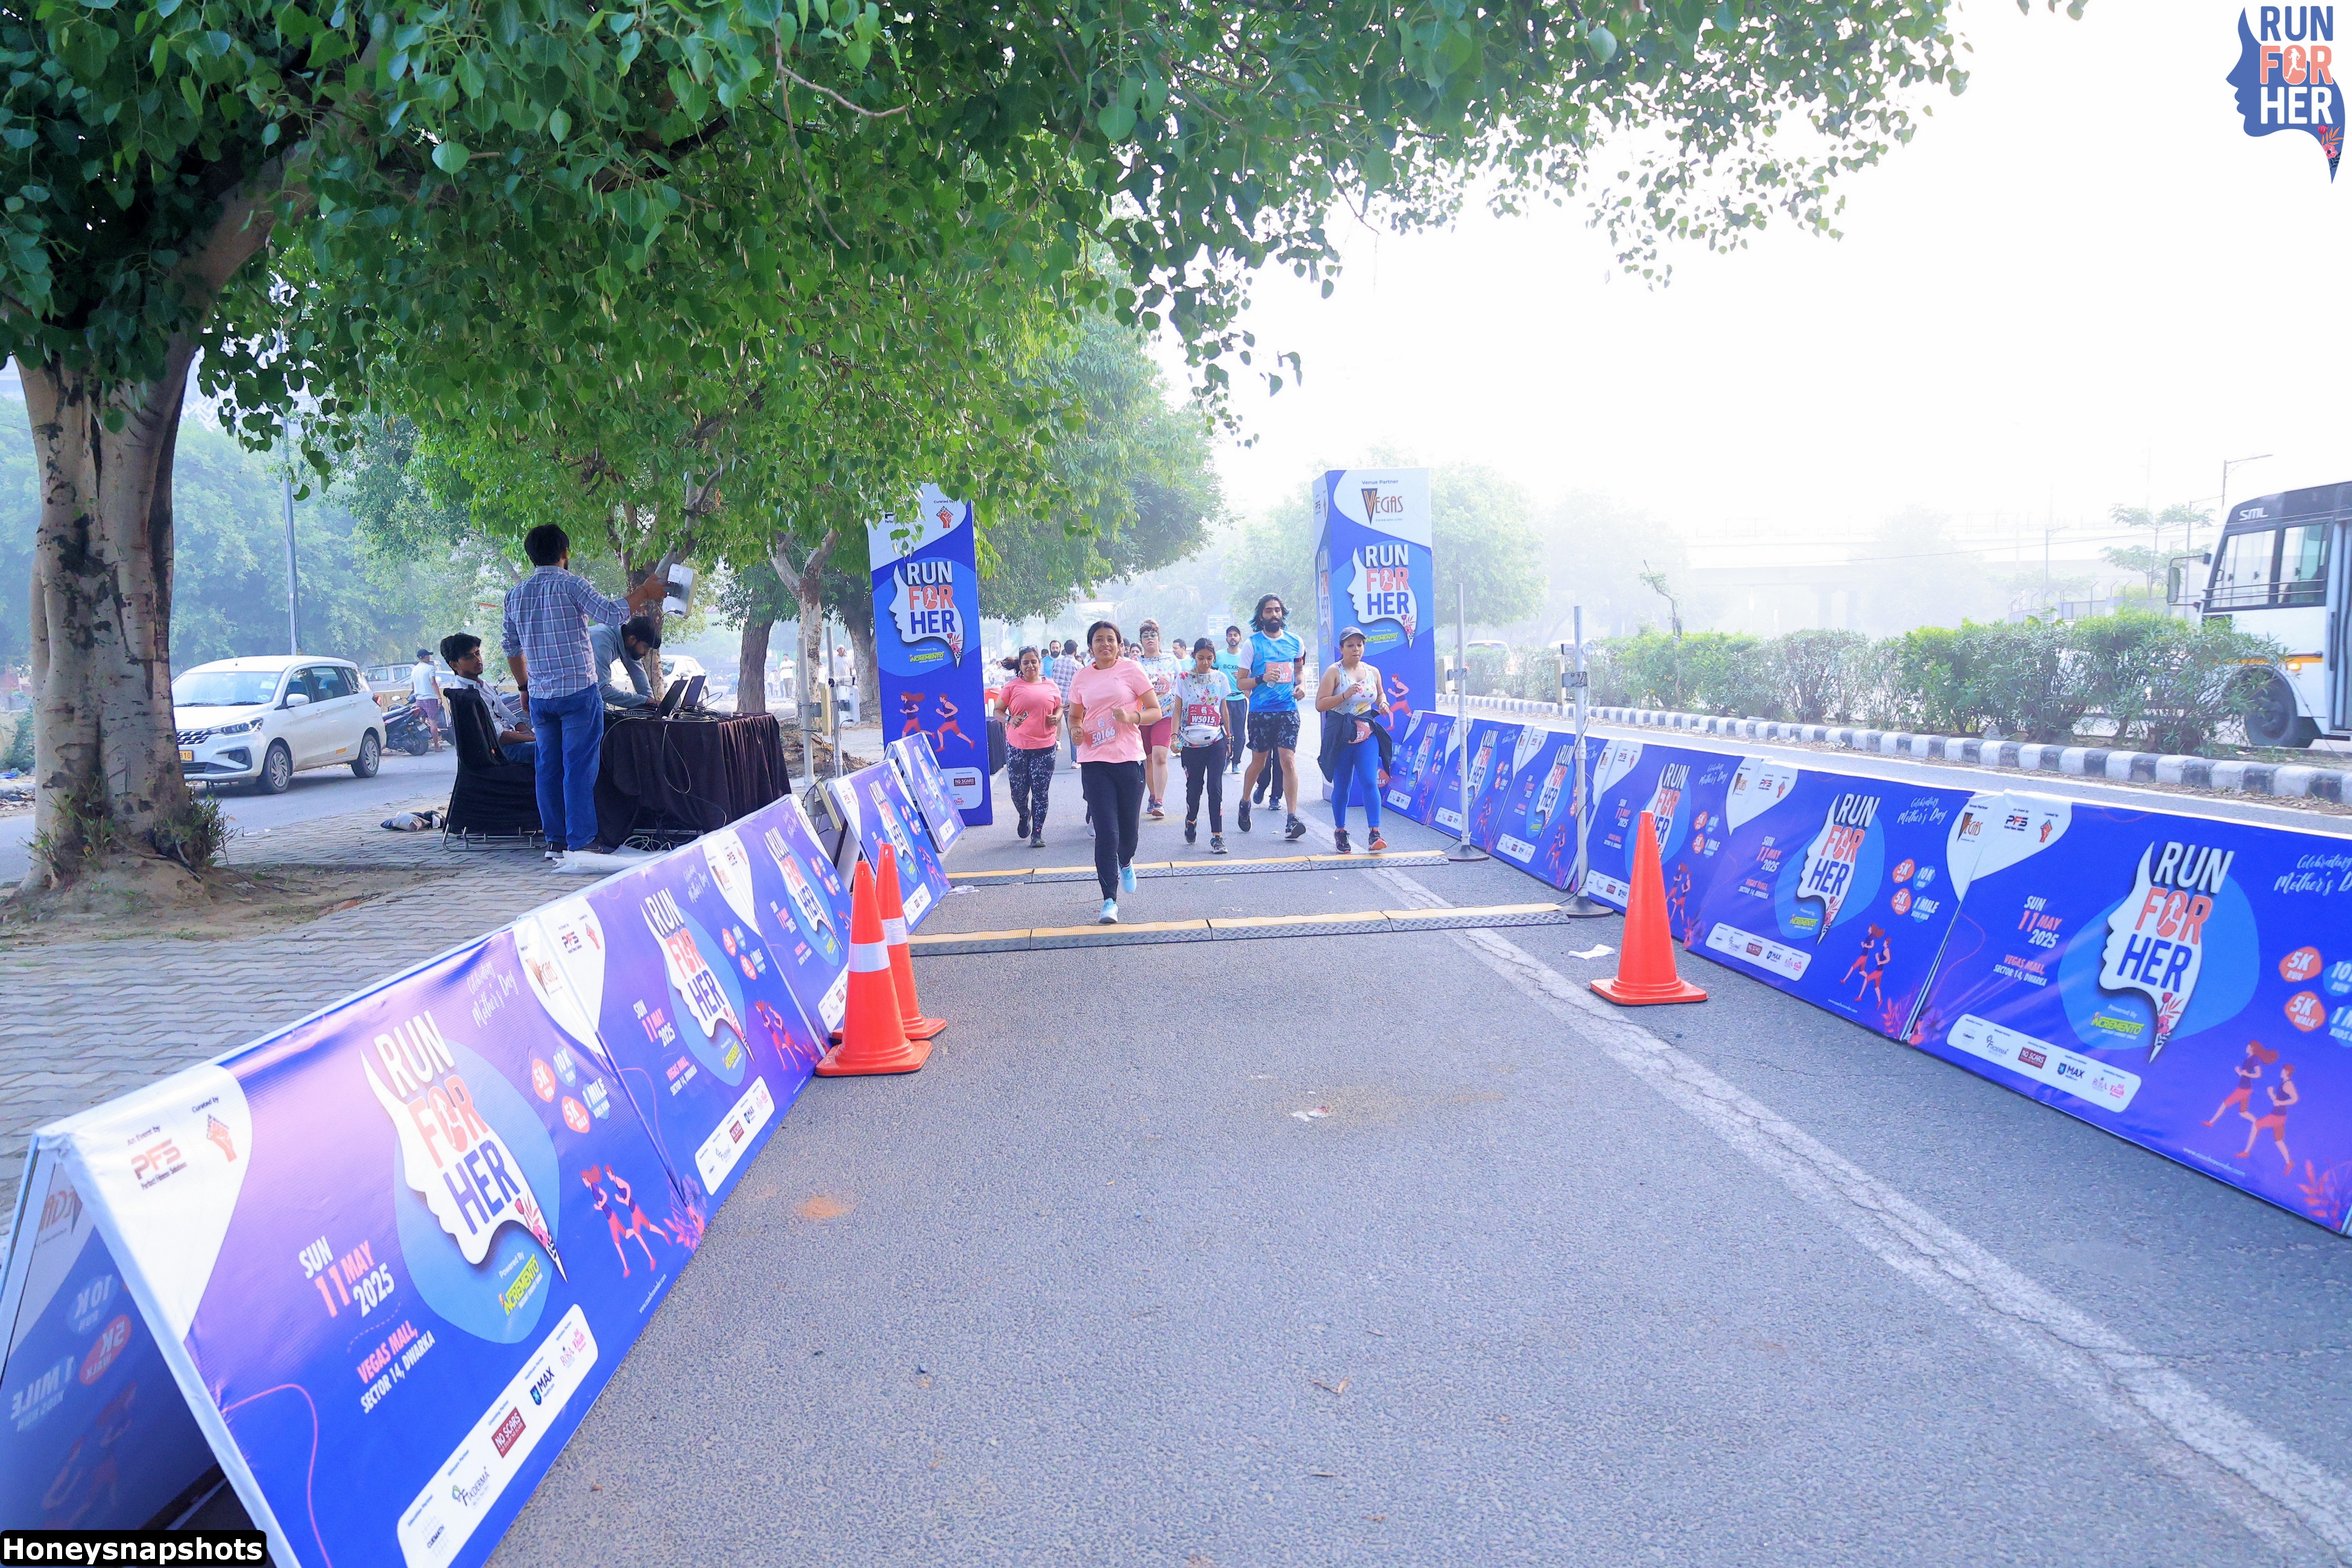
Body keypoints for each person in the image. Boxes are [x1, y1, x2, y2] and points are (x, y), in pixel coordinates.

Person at [502, 523, 666, 860]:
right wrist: (645, 592)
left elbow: (511, 647)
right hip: (578, 693)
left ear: (530, 556)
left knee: (548, 768)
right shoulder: (572, 585)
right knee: (578, 768)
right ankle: (581, 843)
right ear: (565, 553)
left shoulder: (515, 595)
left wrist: (524, 687)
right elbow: (612, 613)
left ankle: (555, 842)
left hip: (541, 697)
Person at [1066, 620, 1161, 923]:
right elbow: (1074, 715)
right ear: (1090, 646)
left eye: (1110, 639)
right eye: (1099, 640)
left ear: (1119, 645)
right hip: (1094, 760)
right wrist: (1076, 730)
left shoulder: (1132, 670)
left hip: (1129, 759)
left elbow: (1155, 711)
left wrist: (1132, 717)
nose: (1105, 644)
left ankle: (1127, 860)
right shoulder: (1081, 677)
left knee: (1128, 833)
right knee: (1106, 832)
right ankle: (1109, 900)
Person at [1237, 594, 1307, 841]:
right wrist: (1261, 679)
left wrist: (1302, 686)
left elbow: (1299, 671)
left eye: (1277, 610)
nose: (1274, 614)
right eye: (1269, 611)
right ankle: (1245, 801)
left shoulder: (1296, 642)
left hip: (1288, 710)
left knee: (1288, 761)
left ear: (1282, 613)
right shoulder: (1252, 644)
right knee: (1259, 763)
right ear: (1261, 615)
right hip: (1260, 712)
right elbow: (1241, 682)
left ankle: (1292, 818)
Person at [1314, 627, 1388, 853]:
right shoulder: (1334, 672)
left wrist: (1383, 703)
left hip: (1367, 733)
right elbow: (1320, 704)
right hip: (1341, 734)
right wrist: (1344, 695)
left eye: (1359, 645)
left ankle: (1375, 833)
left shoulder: (1372, 671)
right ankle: (1340, 831)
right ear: (1341, 649)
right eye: (1350, 645)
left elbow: (1380, 693)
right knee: (1343, 784)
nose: (1356, 649)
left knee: (1369, 780)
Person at [994, 648, 1061, 846]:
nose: (1030, 666)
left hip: (1045, 746)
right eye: (1026, 662)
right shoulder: (1012, 687)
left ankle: (1037, 834)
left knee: (1040, 792)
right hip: (1018, 747)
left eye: (1034, 662)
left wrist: (1056, 718)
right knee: (1018, 793)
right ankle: (1024, 815)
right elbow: (998, 711)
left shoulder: (1051, 686)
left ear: (1040, 663)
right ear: (1020, 666)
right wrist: (1009, 719)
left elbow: (1059, 708)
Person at [439, 633, 536, 764]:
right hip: (498, 751)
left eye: (477, 654)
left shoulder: (483, 686)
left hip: (511, 742)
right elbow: (497, 736)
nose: (477, 660)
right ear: (454, 665)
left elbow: (510, 717)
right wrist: (534, 739)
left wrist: (531, 734)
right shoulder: (463, 695)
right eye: (469, 657)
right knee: (548, 750)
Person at [1174, 637, 1232, 852]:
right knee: (1194, 789)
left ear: (1214, 658)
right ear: (1194, 657)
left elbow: (1224, 709)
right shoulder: (1183, 679)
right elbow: (1177, 710)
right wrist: (1174, 737)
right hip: (1191, 743)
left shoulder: (1221, 678)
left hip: (1216, 740)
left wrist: (1229, 737)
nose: (1205, 663)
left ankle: (1217, 836)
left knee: (1215, 788)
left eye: (1209, 658)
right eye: (1201, 658)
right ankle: (1191, 820)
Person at [1134, 620, 1182, 820]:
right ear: (1141, 641)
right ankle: (1152, 795)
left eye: (1153, 636)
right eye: (1146, 636)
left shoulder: (1171, 660)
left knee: (1160, 756)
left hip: (1166, 714)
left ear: (1159, 639)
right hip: (1144, 716)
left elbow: (1181, 686)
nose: (1150, 639)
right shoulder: (1135, 664)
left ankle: (1160, 801)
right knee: (1148, 759)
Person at [589, 614, 661, 709]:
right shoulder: (602, 643)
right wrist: (644, 701)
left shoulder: (626, 639)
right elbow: (601, 689)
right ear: (632, 640)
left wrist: (652, 705)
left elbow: (638, 673)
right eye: (646, 647)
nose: (647, 653)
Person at [1215, 624, 1249, 775]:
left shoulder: (1245, 656)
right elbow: (1211, 672)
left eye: (1235, 635)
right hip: (1224, 701)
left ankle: (1236, 762)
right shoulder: (1219, 655)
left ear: (1240, 638)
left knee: (1239, 735)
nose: (1233, 638)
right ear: (1226, 638)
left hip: (1240, 699)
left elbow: (1252, 675)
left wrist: (1244, 676)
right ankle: (1225, 759)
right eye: (1230, 635)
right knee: (1224, 732)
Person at [408, 648, 446, 747]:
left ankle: (423, 743)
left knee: (422, 721)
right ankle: (437, 746)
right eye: (428, 656)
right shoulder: (430, 668)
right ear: (425, 657)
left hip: (419, 699)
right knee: (433, 722)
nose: (429, 657)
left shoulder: (414, 670)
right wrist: (439, 697)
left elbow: (412, 686)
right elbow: (433, 682)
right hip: (430, 699)